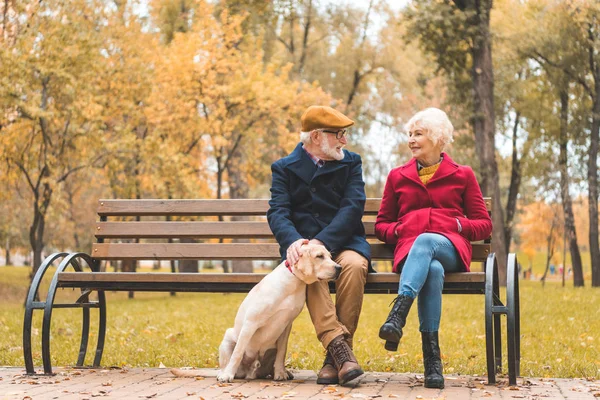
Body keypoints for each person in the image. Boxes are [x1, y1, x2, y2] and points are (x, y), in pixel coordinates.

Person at [374, 108, 492, 389]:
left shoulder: (462, 175)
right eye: (410, 135)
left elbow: (484, 224)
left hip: (449, 247)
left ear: (438, 138)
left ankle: (397, 315)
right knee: (432, 270)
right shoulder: (397, 176)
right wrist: (400, 230)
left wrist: (457, 225)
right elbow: (382, 225)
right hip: (411, 253)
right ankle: (432, 361)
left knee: (427, 242)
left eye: (418, 134)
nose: (411, 140)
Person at [267, 105, 372, 386]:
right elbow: (278, 211)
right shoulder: (284, 168)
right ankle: (340, 351)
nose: (344, 141)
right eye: (339, 134)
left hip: (343, 240)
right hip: (304, 248)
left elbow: (352, 207)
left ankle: (332, 359)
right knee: (309, 267)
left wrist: (323, 241)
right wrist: (294, 242)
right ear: (316, 136)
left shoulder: (351, 163)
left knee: (353, 266)